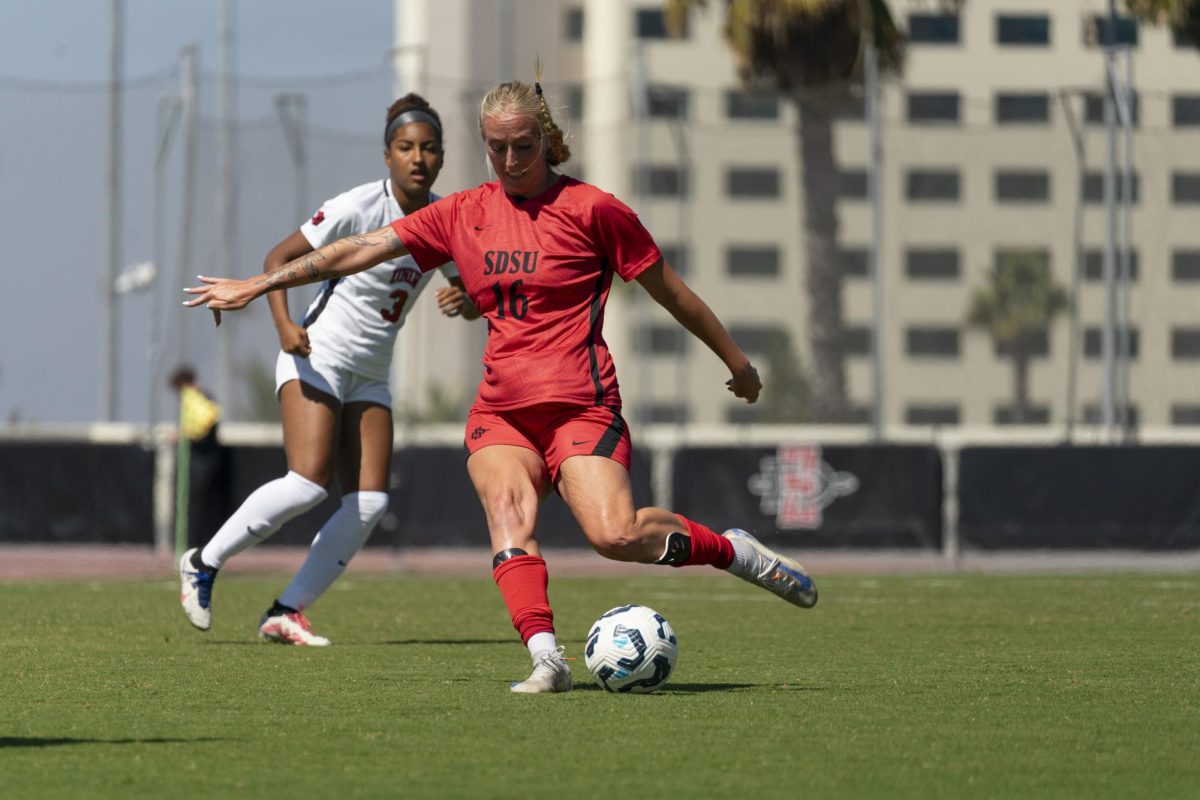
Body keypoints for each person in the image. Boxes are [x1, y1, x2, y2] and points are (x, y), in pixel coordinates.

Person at [185, 73, 816, 689]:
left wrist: (735, 361)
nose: (511, 159)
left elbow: (672, 293)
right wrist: (260, 284)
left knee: (615, 535)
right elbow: (358, 249)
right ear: (483, 143)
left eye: (525, 145)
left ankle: (732, 552)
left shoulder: (594, 210)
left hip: (582, 406)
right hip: (502, 412)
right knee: (508, 514)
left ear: (546, 138)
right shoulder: (461, 213)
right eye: (498, 147)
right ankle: (547, 659)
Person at [178, 93, 479, 646]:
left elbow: (474, 290)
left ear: (442, 158)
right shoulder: (360, 206)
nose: (418, 157)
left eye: (429, 148)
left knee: (369, 502)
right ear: (387, 156)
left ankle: (286, 610)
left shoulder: (446, 222)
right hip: (319, 355)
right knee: (308, 482)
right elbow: (277, 260)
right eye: (406, 147)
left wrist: (469, 302)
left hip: (371, 371)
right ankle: (203, 560)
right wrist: (283, 326)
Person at [168, 365, 229, 549]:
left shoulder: (199, 400)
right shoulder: (197, 400)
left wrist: (184, 434)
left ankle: (197, 546)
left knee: (197, 505)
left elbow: (206, 421)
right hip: (198, 460)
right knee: (190, 505)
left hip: (202, 461)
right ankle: (191, 544)